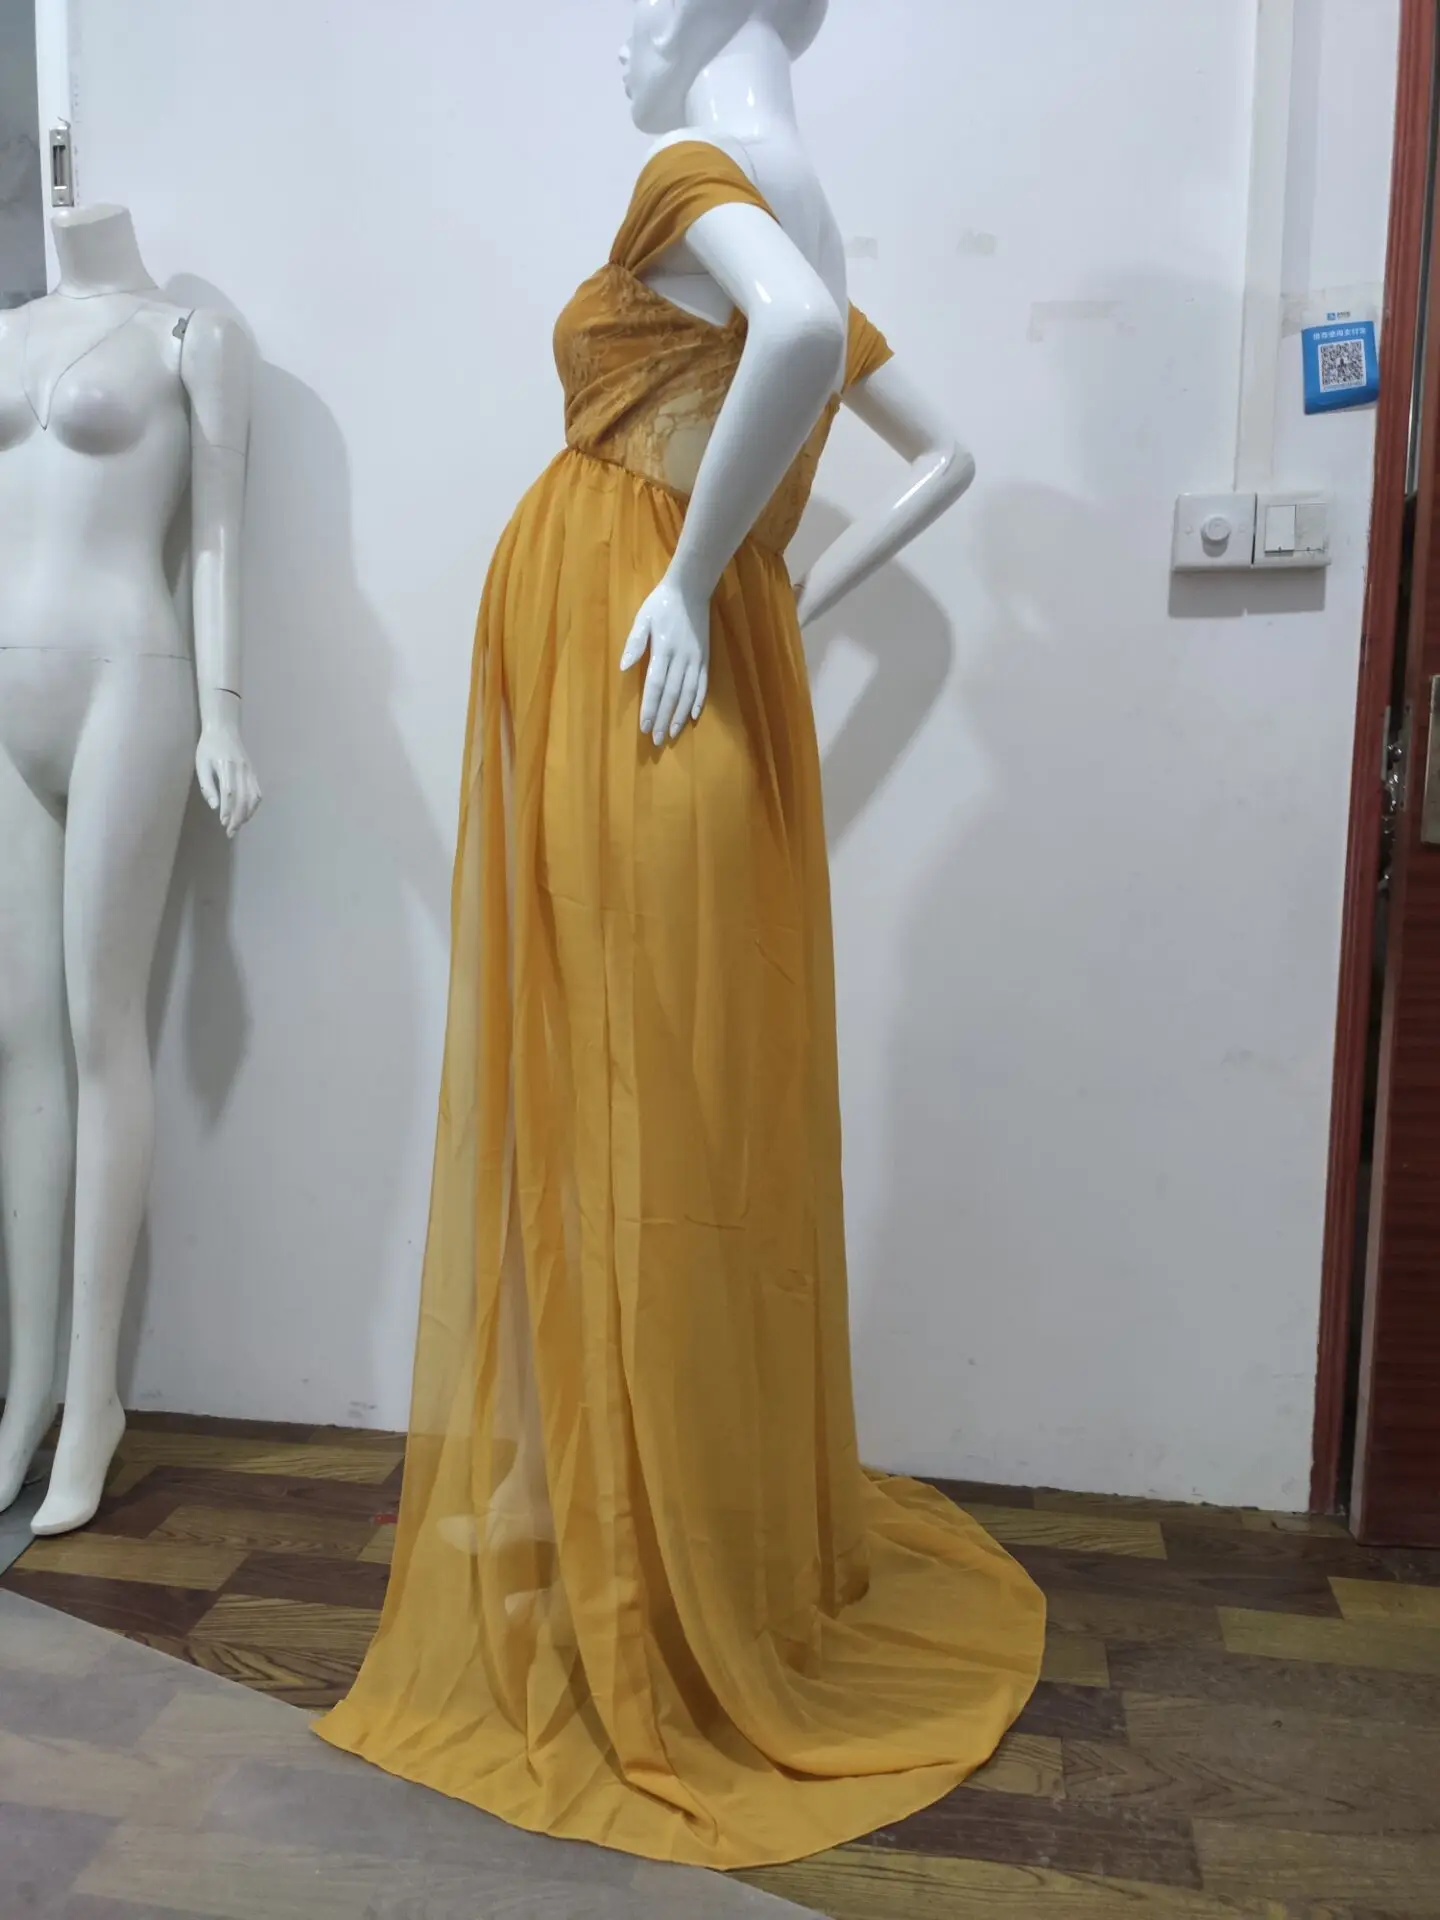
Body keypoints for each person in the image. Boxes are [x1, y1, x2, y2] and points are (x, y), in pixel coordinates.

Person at [318, 0, 1045, 1869]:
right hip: (685, 687)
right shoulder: (810, 196)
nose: (618, 35)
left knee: (622, 1118)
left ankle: (630, 1576)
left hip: (628, 677)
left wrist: (702, 582)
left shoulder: (693, 171)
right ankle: (637, 1524)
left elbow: (792, 341)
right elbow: (944, 461)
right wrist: (767, 597)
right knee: (674, 1120)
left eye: (642, 0)